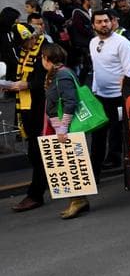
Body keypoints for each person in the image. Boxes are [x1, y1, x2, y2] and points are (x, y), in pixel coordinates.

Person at [39, 43, 96, 220]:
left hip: (67, 126)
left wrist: (62, 127)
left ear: (47, 59)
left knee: (70, 163)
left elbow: (70, 101)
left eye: (42, 57)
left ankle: (78, 200)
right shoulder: (59, 73)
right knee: (67, 162)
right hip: (61, 125)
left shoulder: (62, 74)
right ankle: (78, 200)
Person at [88, 9, 130, 175]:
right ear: (93, 25)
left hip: (119, 97)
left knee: (120, 133)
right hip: (100, 97)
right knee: (98, 135)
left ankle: (122, 164)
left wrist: (126, 95)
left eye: (106, 21)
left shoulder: (122, 43)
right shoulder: (93, 42)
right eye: (99, 22)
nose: (103, 24)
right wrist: (94, 91)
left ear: (112, 22)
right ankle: (94, 172)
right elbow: (96, 68)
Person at [9, 26, 49, 213]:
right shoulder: (25, 51)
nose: (25, 46)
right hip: (27, 108)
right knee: (36, 152)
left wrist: (27, 84)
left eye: (27, 41)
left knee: (39, 151)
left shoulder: (45, 49)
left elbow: (49, 78)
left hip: (42, 109)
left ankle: (35, 194)